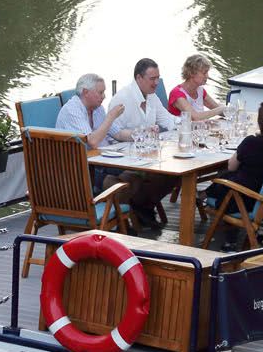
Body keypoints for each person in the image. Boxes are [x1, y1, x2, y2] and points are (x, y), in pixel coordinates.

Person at [54, 73, 164, 235]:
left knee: (139, 174)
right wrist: (111, 116)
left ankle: (127, 218)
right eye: (100, 92)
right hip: (79, 172)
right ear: (85, 92)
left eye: (104, 92)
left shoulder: (96, 110)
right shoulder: (73, 110)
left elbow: (118, 134)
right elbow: (92, 141)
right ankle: (122, 221)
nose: (104, 97)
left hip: (99, 163)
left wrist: (142, 133)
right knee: (128, 179)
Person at [106, 58, 180, 229]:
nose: (156, 83)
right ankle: (140, 208)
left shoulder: (152, 97)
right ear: (139, 78)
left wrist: (192, 124)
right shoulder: (122, 98)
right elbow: (113, 132)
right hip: (120, 156)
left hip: (146, 154)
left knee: (175, 173)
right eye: (152, 79)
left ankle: (143, 207)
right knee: (161, 172)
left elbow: (169, 121)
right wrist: (141, 134)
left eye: (158, 78)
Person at [207, 101, 263, 207]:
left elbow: (231, 166)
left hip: (245, 200)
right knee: (228, 176)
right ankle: (203, 194)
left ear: (261, 122)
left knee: (224, 176)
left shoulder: (252, 142)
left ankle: (202, 196)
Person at [167, 54, 227, 122]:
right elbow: (195, 117)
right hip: (178, 131)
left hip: (197, 130)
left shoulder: (200, 91)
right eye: (204, 73)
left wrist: (233, 110)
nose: (207, 76)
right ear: (192, 73)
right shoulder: (177, 94)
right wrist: (220, 109)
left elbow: (218, 109)